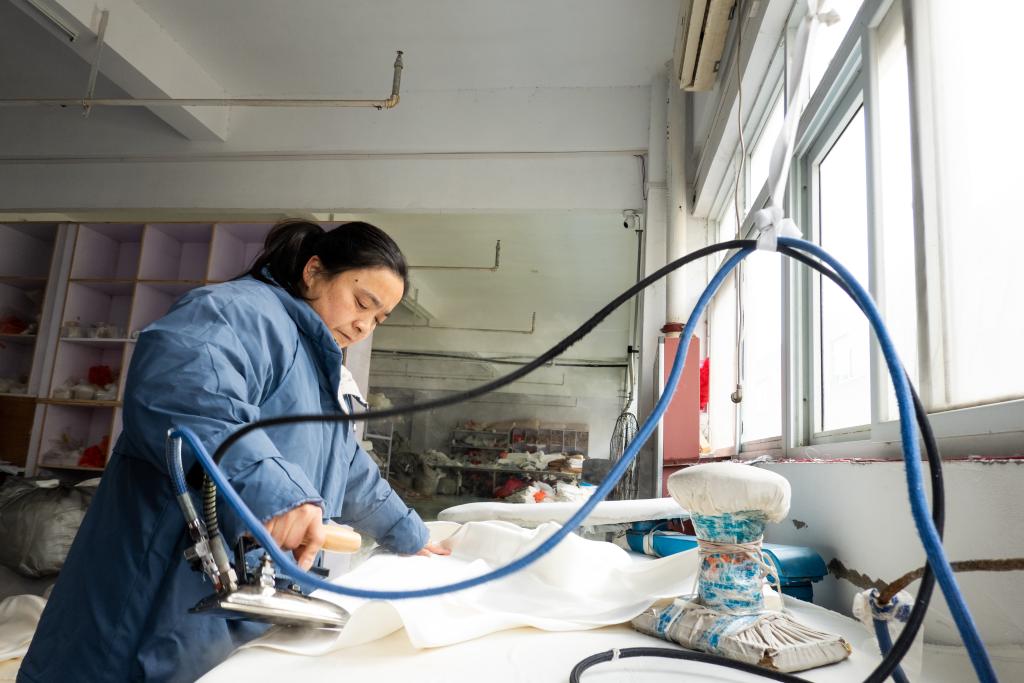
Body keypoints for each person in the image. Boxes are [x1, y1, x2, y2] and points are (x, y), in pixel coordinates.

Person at [20, 220, 446, 683]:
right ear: (313, 272)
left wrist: (411, 534)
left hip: (229, 596)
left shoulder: (315, 367)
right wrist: (283, 494)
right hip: (160, 581)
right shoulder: (237, 313)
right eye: (362, 303)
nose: (364, 325)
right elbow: (187, 396)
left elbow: (348, 467)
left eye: (379, 319)